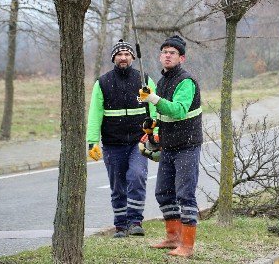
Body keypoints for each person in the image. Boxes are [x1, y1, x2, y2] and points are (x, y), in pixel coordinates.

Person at [139, 35, 203, 258]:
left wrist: (154, 99)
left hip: (187, 145)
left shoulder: (186, 81)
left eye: (172, 52)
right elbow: (163, 115)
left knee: (185, 195)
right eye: (164, 51)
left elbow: (178, 110)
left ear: (181, 58)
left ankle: (187, 245)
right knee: (164, 192)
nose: (167, 55)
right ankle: (173, 237)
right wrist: (153, 128)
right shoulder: (162, 80)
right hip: (168, 145)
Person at [86, 39, 156, 238]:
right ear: (113, 58)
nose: (123, 57)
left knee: (137, 176)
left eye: (127, 54)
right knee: (117, 185)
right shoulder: (103, 82)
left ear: (133, 57)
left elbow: (154, 107)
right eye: (119, 54)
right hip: (112, 143)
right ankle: (120, 226)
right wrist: (92, 142)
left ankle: (135, 221)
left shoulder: (144, 79)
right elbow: (94, 114)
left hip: (139, 141)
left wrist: (154, 127)